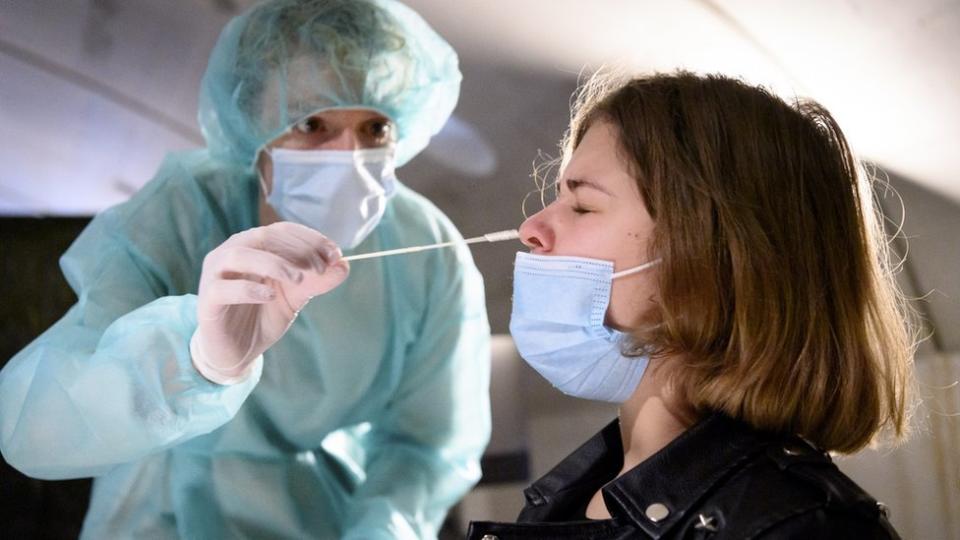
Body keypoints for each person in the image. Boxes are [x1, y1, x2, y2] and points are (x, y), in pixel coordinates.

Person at [0, 1, 491, 538]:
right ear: (257, 123)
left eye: (376, 127)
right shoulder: (180, 215)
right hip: (158, 508)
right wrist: (196, 362)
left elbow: (428, 447)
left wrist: (383, 530)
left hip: (318, 508)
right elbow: (34, 430)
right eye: (311, 123)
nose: (349, 156)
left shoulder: (429, 250)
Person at [467, 71, 915, 539]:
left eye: (582, 206)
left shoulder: (805, 529)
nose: (531, 228)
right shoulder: (568, 501)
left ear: (705, 249)